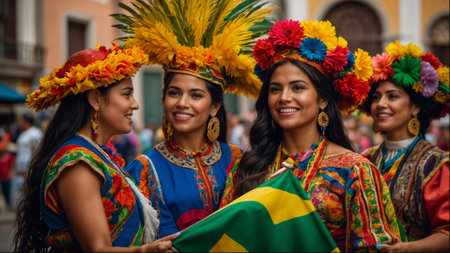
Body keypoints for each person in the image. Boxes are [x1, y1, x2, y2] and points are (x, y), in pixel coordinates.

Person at [220, 19, 403, 251]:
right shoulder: (248, 167)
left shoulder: (354, 171)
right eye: (275, 89)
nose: (284, 97)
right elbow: (224, 236)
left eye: (297, 88)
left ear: (323, 100)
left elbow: (375, 247)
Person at [115, 0, 275, 238]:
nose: (182, 103)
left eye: (196, 95)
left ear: (215, 107)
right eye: (174, 93)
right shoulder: (144, 170)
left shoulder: (240, 160)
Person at [14, 43, 177, 252]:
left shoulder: (98, 154)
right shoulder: (77, 163)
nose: (134, 104)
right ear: (95, 99)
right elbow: (98, 249)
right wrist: (145, 250)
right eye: (126, 94)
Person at [362, 41, 449, 252]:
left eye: (392, 96)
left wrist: (407, 249)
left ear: (416, 107)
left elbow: (446, 232)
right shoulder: (365, 159)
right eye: (376, 97)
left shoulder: (435, 163)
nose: (381, 104)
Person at [13, 112, 42, 206]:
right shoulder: (23, 134)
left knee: (29, 202)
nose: (19, 123)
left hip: (28, 173)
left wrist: (30, 171)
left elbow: (37, 153)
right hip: (20, 174)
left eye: (20, 121)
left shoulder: (35, 134)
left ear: (26, 121)